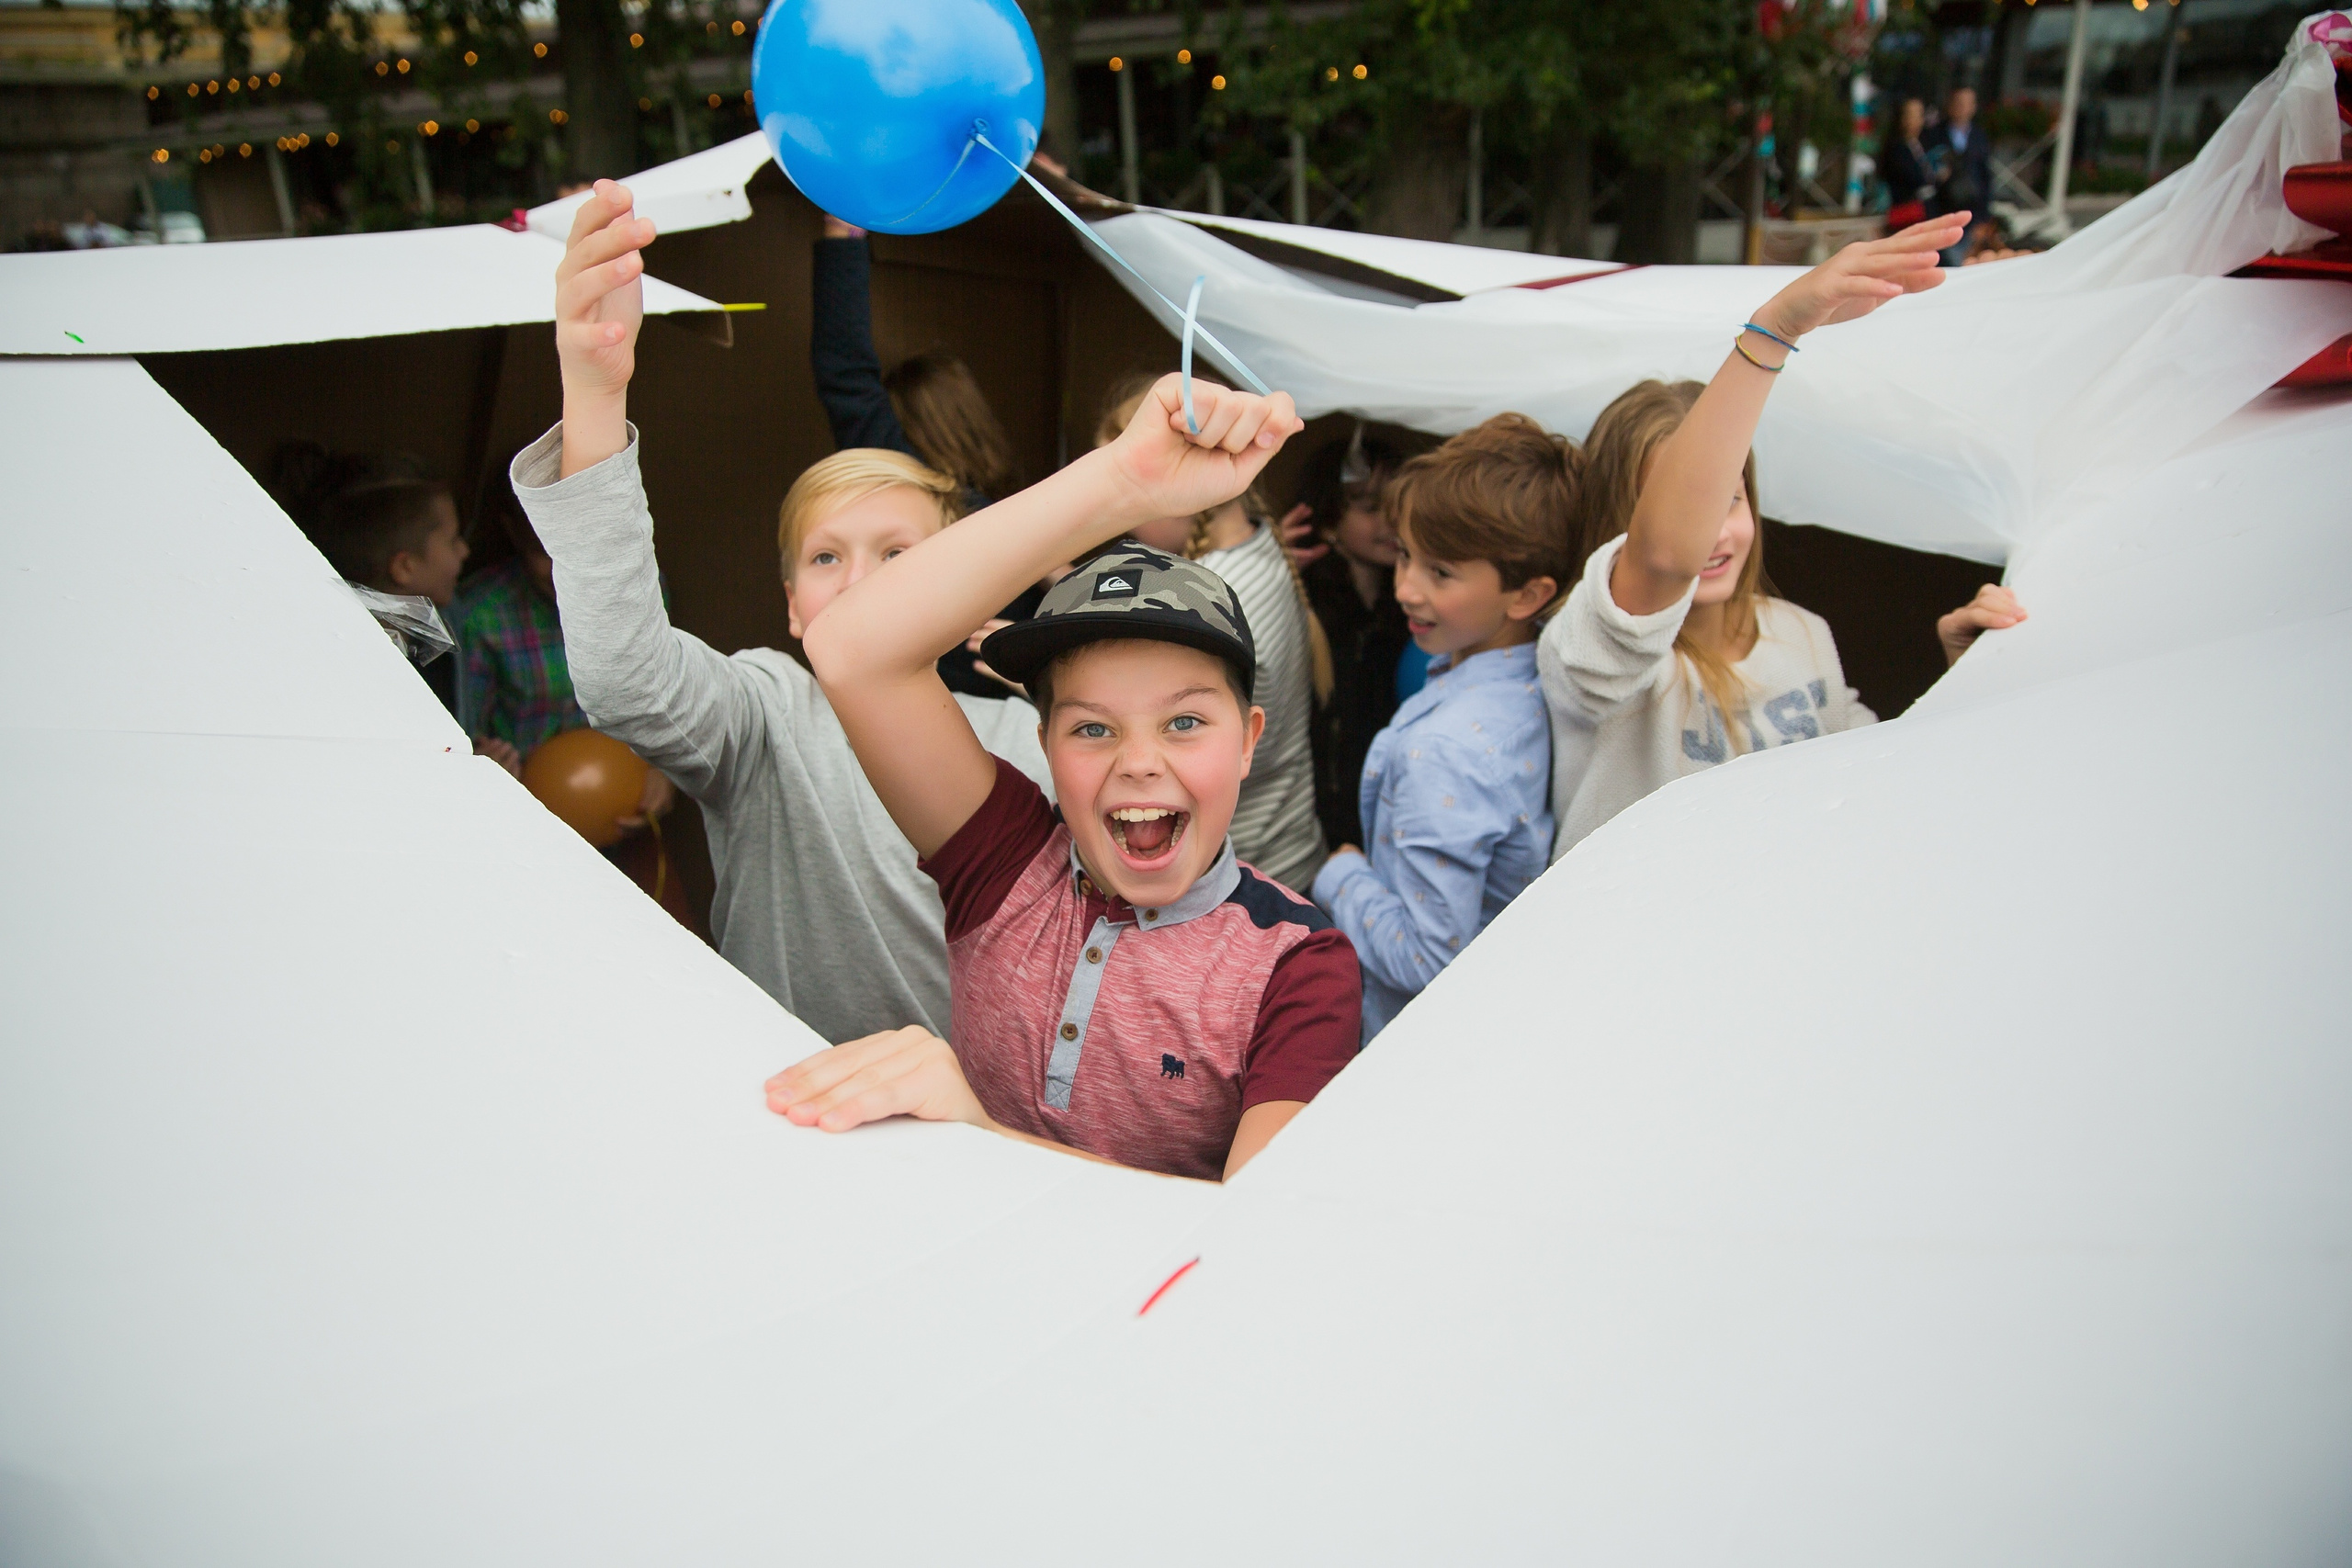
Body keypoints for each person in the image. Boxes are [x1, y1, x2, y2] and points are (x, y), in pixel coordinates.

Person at [766, 367, 1363, 1182]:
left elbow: (1250, 1233)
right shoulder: (1005, 860)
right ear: (1042, 742)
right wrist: (1123, 479)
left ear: (1249, 738)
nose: (1140, 759)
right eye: (1092, 727)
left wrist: (980, 1135)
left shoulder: (1299, 963)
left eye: (1185, 720)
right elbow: (849, 650)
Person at [518, 180, 1056, 1042]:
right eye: (826, 557)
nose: (862, 582)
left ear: (965, 603)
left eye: (900, 556)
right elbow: (625, 677)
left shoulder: (1023, 741)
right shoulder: (765, 716)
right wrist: (593, 395)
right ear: (793, 609)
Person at [1538, 215, 1974, 862]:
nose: (1711, 531)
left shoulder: (1802, 633)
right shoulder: (1590, 657)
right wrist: (1773, 332)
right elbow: (1665, 557)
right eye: (1689, 506)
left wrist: (1965, 678)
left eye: (1729, 499)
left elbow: (1874, 779)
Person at [1310, 416, 1572, 1043]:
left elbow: (1428, 961)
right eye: (1405, 554)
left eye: (1441, 572)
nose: (1406, 588)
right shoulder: (1532, 679)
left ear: (1527, 594)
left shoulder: (1446, 749)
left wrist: (1343, 874)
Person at [1080, 378, 1329, 892]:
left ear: (1184, 485)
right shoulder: (1257, 545)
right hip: (1294, 843)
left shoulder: (1211, 603)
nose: (1123, 519)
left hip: (1249, 879)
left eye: (1132, 493)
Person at [811, 213, 1038, 696]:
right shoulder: (1024, 525)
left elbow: (844, 369)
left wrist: (844, 234)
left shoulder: (905, 486)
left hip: (925, 719)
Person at [1281, 424, 1412, 851]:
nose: (1391, 522)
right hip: (1316, 828)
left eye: (1400, 505)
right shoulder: (1302, 603)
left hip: (1393, 816)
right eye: (1371, 506)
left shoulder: (1415, 605)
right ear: (1329, 517)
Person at [271, 443, 469, 715]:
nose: (464, 550)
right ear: (404, 567)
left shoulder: (438, 630)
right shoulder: (342, 671)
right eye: (452, 539)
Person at [1927, 87, 1992, 265]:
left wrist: (1983, 217)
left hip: (1971, 211)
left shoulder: (1979, 136)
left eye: (1966, 104)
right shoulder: (1934, 134)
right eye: (1958, 103)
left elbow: (1986, 178)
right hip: (1942, 210)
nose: (1961, 108)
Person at [1881, 97, 1936, 229]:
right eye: (1910, 115)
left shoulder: (1923, 144)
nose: (1915, 120)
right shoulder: (1896, 149)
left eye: (1919, 115)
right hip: (1907, 214)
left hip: (1927, 212)